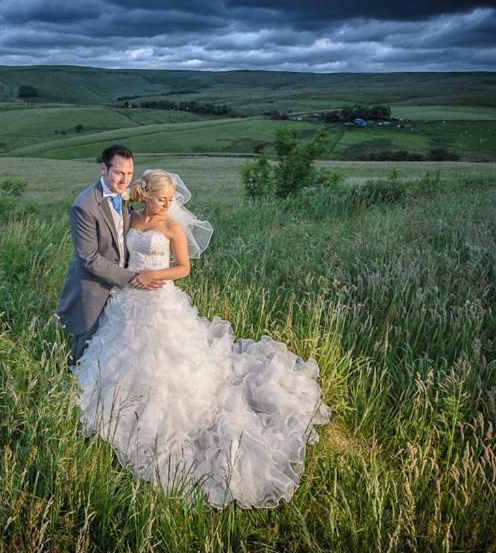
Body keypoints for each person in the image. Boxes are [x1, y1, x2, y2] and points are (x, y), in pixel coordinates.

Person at [71, 169, 331, 508]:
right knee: (120, 355)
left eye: (170, 200)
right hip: (128, 302)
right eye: (162, 199)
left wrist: (154, 274)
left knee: (167, 362)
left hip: (160, 300)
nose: (168, 204)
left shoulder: (171, 227)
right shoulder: (129, 219)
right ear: (146, 195)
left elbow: (183, 268)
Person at [57, 144, 160, 363]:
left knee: (111, 352)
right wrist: (132, 278)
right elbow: (90, 259)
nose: (125, 180)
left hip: (122, 293)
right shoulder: (84, 206)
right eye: (119, 173)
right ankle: (72, 394)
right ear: (103, 169)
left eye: (130, 173)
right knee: (83, 352)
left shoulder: (124, 196)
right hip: (93, 290)